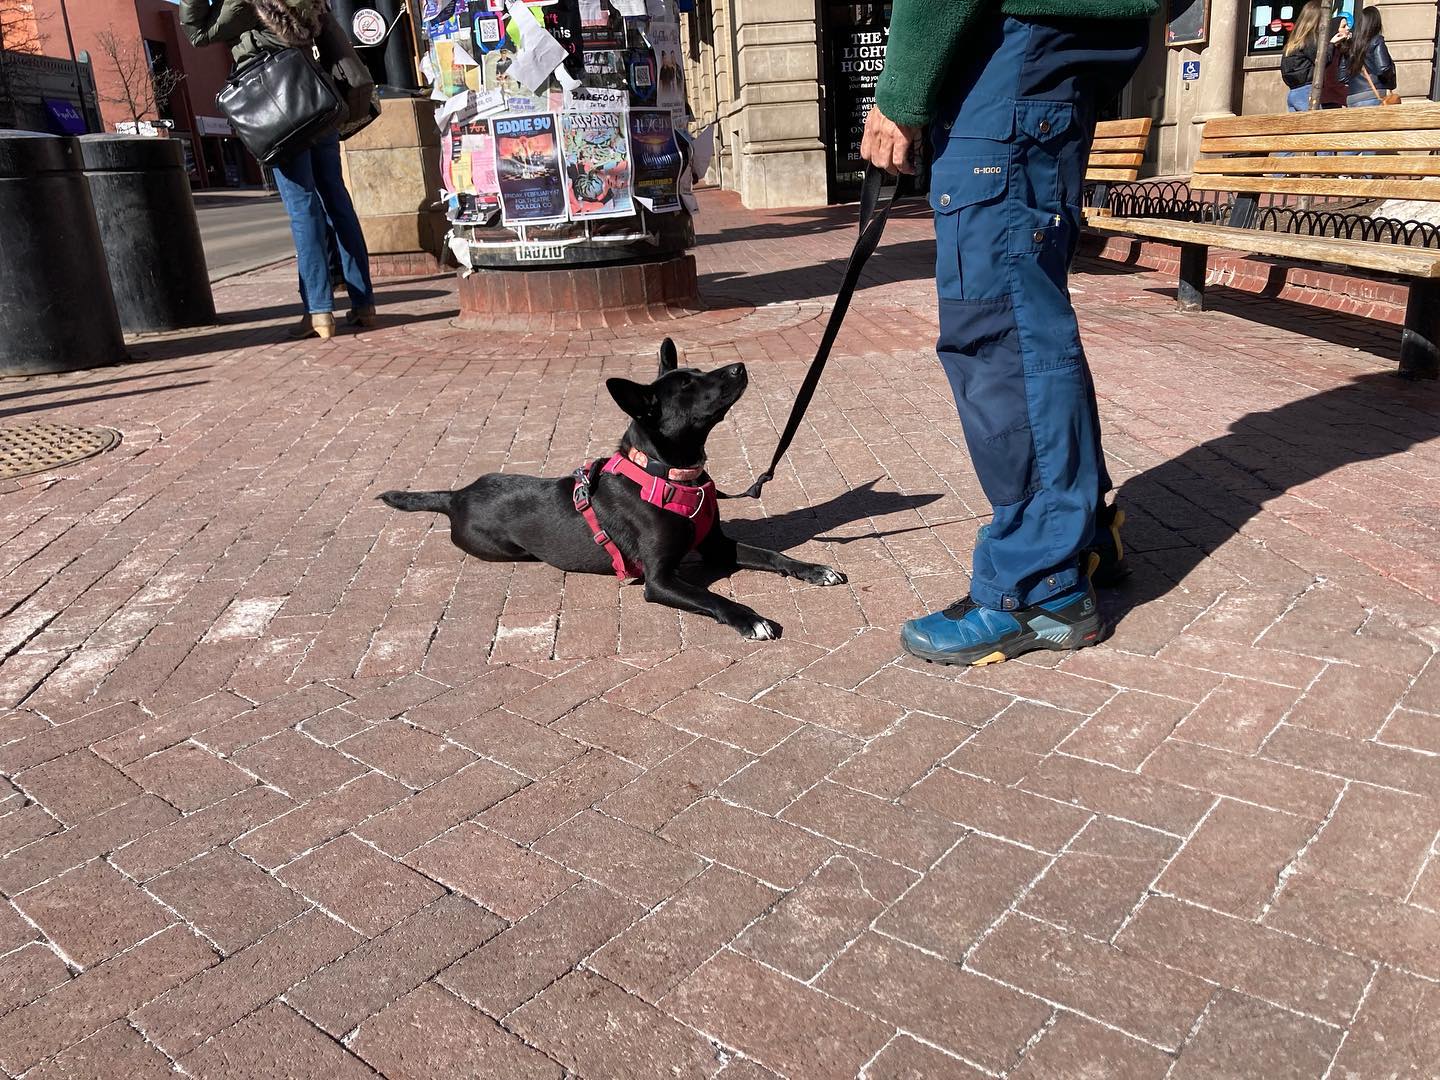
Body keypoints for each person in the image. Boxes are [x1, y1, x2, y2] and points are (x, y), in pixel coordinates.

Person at [860, 0, 1153, 666]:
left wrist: (902, 92)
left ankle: (1040, 587)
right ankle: (1081, 536)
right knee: (1026, 312)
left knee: (999, 327)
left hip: (1013, 53)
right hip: (1045, 55)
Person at [180, 0, 376, 339]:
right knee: (337, 200)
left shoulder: (243, 4)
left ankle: (319, 311)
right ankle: (364, 304)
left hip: (279, 104)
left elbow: (198, 34)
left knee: (303, 207)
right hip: (318, 96)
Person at [1342, 6, 1396, 107]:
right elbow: (1383, 68)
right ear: (1376, 22)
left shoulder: (1350, 44)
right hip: (1373, 95)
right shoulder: (1376, 40)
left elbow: (1342, 76)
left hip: (1352, 97)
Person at [1280, 2, 1325, 111]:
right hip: (1307, 91)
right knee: (1315, 121)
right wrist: (1332, 44)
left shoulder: (1293, 43)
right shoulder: (1311, 39)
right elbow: (1323, 60)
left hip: (1293, 92)